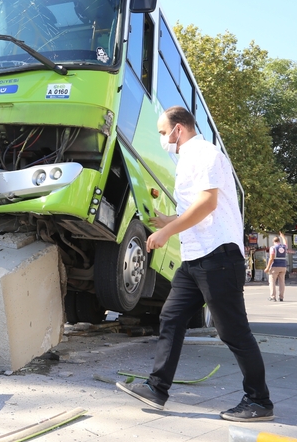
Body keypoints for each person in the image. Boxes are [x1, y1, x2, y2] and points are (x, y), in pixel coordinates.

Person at [116, 106, 274, 422]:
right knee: (171, 318)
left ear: (179, 129)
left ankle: (259, 401)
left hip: (218, 258)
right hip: (195, 260)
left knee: (234, 333)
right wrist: (168, 219)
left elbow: (208, 204)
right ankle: (157, 389)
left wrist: (166, 231)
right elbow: (195, 210)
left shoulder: (204, 153)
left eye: (163, 132)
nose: (162, 138)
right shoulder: (188, 159)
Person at [264, 235, 287, 302]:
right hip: (283, 266)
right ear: (279, 241)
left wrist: (267, 268)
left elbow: (271, 259)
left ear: (273, 241)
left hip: (275, 266)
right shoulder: (284, 247)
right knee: (282, 282)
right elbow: (285, 242)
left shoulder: (273, 248)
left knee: (272, 282)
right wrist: (282, 236)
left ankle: (273, 297)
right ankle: (281, 297)